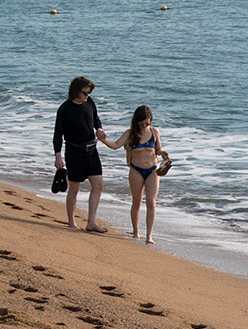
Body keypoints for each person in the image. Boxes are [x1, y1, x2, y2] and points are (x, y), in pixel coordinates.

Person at [100, 105, 169, 243]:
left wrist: (162, 153)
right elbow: (115, 145)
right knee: (136, 202)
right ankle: (136, 232)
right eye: (142, 123)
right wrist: (103, 140)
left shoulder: (154, 132)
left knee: (151, 202)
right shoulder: (130, 133)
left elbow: (158, 148)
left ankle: (149, 235)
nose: (144, 126)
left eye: (147, 123)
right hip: (136, 170)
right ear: (136, 121)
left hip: (152, 170)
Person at [53, 76, 108, 233]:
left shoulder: (89, 102)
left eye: (89, 93)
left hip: (91, 150)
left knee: (98, 185)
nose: (87, 96)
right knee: (74, 188)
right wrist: (58, 155)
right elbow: (58, 134)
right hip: (74, 151)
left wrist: (99, 128)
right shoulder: (64, 109)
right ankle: (71, 222)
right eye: (85, 93)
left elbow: (96, 119)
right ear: (76, 91)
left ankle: (91, 222)